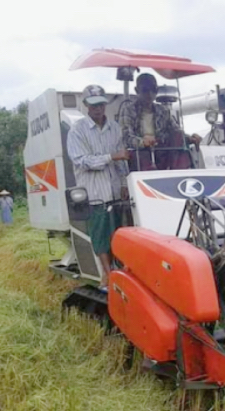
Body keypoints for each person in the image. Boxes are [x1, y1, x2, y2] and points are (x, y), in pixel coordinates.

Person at [67, 85, 130, 289]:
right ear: (86, 105)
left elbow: (122, 160)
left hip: (114, 190)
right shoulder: (77, 131)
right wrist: (110, 157)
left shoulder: (114, 128)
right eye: (93, 105)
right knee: (100, 234)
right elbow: (81, 161)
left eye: (101, 104)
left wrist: (123, 182)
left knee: (118, 232)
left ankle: (121, 271)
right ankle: (108, 274)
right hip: (94, 192)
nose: (98, 108)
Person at [120, 73, 200, 171]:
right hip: (140, 153)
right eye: (145, 90)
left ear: (157, 91)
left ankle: (179, 172)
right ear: (137, 90)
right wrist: (142, 142)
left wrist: (190, 138)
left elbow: (175, 130)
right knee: (143, 156)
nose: (149, 94)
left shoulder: (163, 110)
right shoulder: (128, 110)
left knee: (178, 134)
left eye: (153, 89)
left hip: (162, 151)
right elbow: (126, 137)